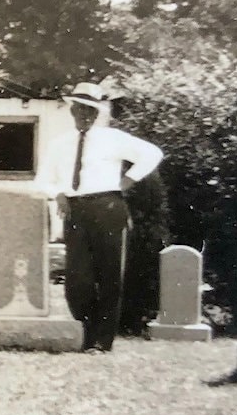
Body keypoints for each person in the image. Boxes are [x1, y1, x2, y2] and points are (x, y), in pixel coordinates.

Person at [54, 81, 163, 352]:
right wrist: (58, 193)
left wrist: (127, 181)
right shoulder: (61, 142)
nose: (84, 115)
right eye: (79, 109)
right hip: (75, 209)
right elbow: (47, 175)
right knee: (78, 278)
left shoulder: (113, 138)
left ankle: (101, 342)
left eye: (90, 111)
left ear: (98, 114)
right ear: (72, 111)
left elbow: (153, 154)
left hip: (108, 207)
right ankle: (86, 332)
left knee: (109, 275)